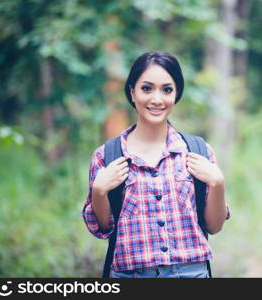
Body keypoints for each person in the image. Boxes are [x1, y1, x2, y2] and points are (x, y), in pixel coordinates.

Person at [82, 51, 230, 278]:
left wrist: (218, 183)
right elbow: (103, 228)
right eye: (147, 88)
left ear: (176, 93)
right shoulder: (107, 156)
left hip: (191, 273)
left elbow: (214, 227)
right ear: (132, 92)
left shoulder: (198, 151)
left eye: (167, 90)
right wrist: (99, 192)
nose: (157, 99)